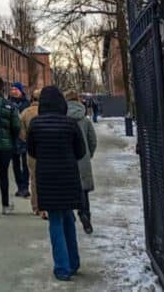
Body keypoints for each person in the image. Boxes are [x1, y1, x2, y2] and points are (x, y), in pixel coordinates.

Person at [27, 86, 86, 282]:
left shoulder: (36, 124)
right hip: (68, 176)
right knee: (68, 218)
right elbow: (80, 151)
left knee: (55, 221)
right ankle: (73, 261)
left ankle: (61, 267)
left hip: (47, 177)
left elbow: (32, 151)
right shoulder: (70, 124)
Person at [0, 77, 22, 218]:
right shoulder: (10, 105)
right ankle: (5, 205)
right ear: (3, 88)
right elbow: (16, 126)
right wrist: (13, 138)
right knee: (4, 175)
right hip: (6, 145)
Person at [66, 90, 97, 235]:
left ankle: (70, 214)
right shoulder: (85, 120)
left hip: (68, 158)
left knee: (68, 188)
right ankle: (85, 215)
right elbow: (92, 140)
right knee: (83, 190)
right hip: (83, 157)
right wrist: (89, 154)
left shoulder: (63, 118)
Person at [20, 89, 42, 216]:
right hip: (47, 149)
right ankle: (46, 205)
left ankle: (36, 206)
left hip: (31, 150)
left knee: (33, 178)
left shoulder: (26, 112)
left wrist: (28, 140)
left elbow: (21, 131)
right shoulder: (47, 112)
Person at [9, 82, 30, 198]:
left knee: (25, 164)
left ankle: (25, 187)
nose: (13, 91)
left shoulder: (26, 104)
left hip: (24, 137)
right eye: (12, 89)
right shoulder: (9, 103)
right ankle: (20, 186)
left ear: (21, 91)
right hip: (12, 137)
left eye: (16, 89)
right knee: (15, 163)